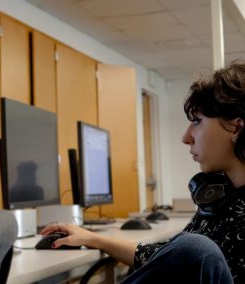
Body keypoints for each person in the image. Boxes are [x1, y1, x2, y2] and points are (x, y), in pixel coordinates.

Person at [40, 61, 245, 283]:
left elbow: (192, 256)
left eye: (197, 121)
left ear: (235, 127)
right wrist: (94, 239)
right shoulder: (222, 201)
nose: (186, 137)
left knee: (195, 249)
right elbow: (161, 256)